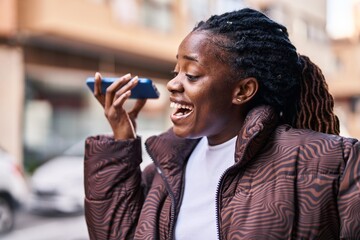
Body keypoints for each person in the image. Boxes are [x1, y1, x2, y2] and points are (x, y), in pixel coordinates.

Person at [83, 8, 360, 240]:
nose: (172, 84)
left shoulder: (334, 161)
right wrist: (121, 140)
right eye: (175, 71)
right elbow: (116, 234)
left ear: (242, 91)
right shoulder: (165, 169)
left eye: (191, 75)